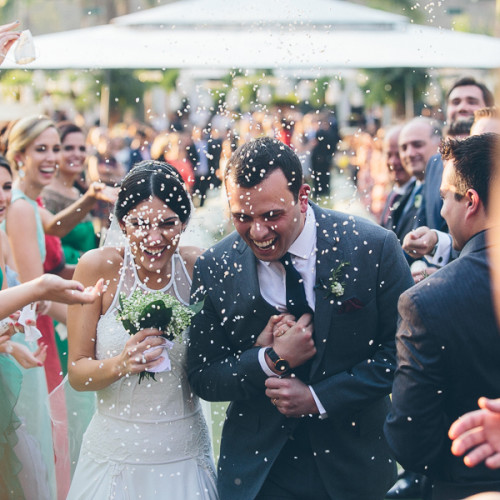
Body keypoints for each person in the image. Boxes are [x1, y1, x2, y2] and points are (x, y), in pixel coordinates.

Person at [187, 136, 413, 500]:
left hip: (354, 462)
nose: (257, 232)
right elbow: (203, 376)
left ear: (303, 196)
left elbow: (403, 354)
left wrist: (318, 398)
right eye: (242, 217)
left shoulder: (373, 247)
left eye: (271, 215)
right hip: (260, 469)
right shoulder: (216, 266)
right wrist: (268, 360)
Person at [66, 160, 217, 499]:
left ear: (184, 222)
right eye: (140, 224)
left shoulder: (199, 267)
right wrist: (120, 364)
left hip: (184, 454)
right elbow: (77, 373)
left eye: (168, 224)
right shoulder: (97, 267)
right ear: (121, 222)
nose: (154, 237)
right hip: (114, 454)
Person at [384, 133, 500, 499]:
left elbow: (409, 437)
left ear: (470, 202)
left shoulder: (425, 303)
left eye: (445, 198)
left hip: (465, 483)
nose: (443, 213)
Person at [402, 78, 494, 279]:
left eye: (471, 101)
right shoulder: (435, 164)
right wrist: (425, 239)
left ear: (487, 109)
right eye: (455, 102)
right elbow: (428, 222)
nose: (462, 107)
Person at [379, 124, 417, 243]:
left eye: (398, 154)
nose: (393, 162)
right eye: (389, 155)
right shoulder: (393, 193)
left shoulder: (420, 195)